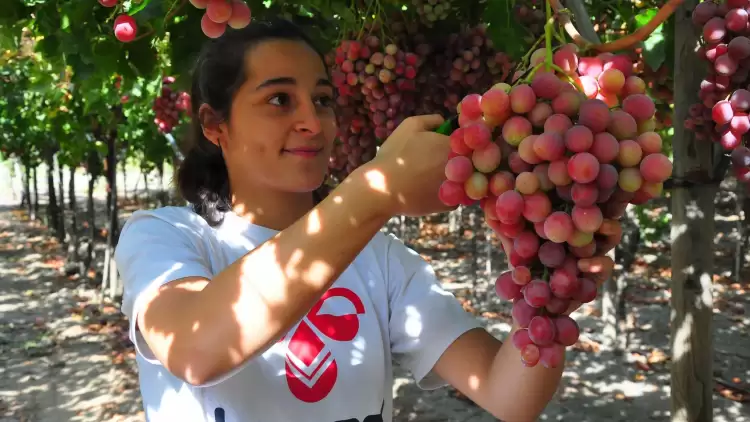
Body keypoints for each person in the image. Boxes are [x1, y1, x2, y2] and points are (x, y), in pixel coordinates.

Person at [114, 18, 619, 422]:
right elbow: (197, 349)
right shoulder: (164, 237)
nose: (312, 120)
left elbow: (509, 396)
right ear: (214, 126)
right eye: (278, 99)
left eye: (323, 99)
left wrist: (550, 293)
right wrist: (378, 190)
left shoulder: (380, 258)